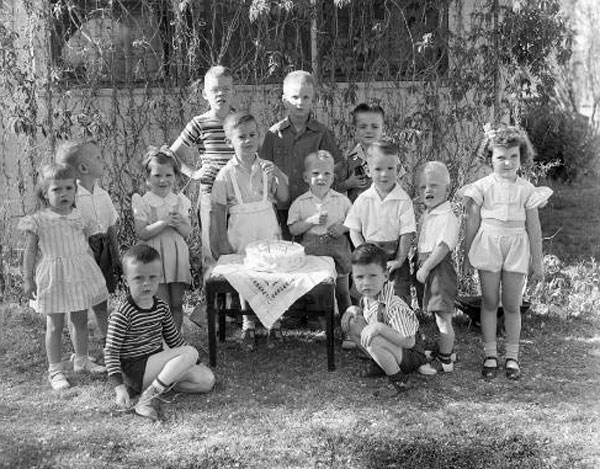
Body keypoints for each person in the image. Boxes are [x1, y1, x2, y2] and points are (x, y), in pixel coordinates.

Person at [462, 123, 552, 380]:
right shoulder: (481, 187)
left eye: (513, 156)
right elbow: (472, 223)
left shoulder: (527, 189)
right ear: (489, 158)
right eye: (500, 157)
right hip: (489, 244)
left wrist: (538, 261)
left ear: (521, 157)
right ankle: (490, 354)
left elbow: (534, 229)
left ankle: (512, 356)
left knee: (512, 304)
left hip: (516, 245)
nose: (508, 162)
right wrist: (468, 255)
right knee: (489, 302)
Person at [19, 164, 108, 390]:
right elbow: (30, 251)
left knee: (79, 319)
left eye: (69, 188)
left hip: (79, 273)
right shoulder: (39, 220)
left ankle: (81, 358)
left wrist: (92, 272)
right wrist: (27, 278)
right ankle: (55, 370)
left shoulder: (80, 217)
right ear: (45, 193)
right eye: (57, 189)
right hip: (54, 276)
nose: (64, 194)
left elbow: (86, 246)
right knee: (55, 324)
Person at [105, 245, 215, 421]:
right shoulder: (122, 313)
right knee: (191, 352)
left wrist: (195, 363)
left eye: (152, 277)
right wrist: (119, 388)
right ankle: (147, 399)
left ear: (160, 278)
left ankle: (164, 383)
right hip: (136, 373)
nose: (146, 283)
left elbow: (175, 340)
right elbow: (111, 352)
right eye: (138, 278)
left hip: (157, 365)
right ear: (127, 281)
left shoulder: (161, 307)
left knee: (206, 380)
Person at [210, 111, 289, 350]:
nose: (248, 140)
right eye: (241, 136)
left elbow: (283, 199)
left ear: (259, 136)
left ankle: (274, 324)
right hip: (241, 235)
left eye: (252, 135)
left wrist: (277, 176)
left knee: (271, 277)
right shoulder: (225, 175)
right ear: (229, 141)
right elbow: (218, 212)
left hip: (267, 232)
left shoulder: (267, 168)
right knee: (246, 279)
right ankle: (248, 325)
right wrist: (220, 244)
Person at [260, 70, 342, 240]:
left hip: (312, 207)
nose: (300, 103)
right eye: (295, 97)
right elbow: (263, 166)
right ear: (284, 101)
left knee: (311, 250)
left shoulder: (320, 133)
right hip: (281, 206)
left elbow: (336, 165)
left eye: (306, 98)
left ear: (313, 100)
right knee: (284, 250)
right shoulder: (274, 134)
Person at [56, 138, 120, 354]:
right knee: (79, 307)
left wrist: (116, 255)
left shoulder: (102, 194)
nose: (104, 160)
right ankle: (80, 354)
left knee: (102, 299)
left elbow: (111, 226)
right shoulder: (71, 198)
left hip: (103, 252)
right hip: (82, 254)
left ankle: (108, 343)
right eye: (99, 157)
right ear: (83, 168)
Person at [341, 244, 426, 397]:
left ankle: (399, 381)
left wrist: (379, 328)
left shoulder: (394, 305)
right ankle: (380, 363)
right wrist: (352, 309)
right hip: (395, 349)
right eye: (360, 277)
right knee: (353, 322)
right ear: (352, 277)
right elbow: (367, 316)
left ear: (386, 276)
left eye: (372, 276)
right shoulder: (367, 298)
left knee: (374, 339)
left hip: (410, 354)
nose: (366, 283)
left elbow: (409, 342)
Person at [170, 65, 236, 262]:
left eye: (225, 88)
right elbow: (173, 153)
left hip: (237, 193)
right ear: (205, 94)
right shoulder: (200, 123)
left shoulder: (239, 121)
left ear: (233, 91)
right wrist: (193, 173)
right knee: (211, 248)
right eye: (215, 89)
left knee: (235, 245)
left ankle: (234, 292)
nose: (220, 94)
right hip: (211, 192)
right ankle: (213, 290)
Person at [344, 138, 416, 306]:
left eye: (390, 168)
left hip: (394, 254)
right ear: (368, 170)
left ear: (397, 169)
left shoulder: (403, 200)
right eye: (378, 169)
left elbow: (407, 233)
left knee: (398, 294)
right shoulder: (363, 199)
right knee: (368, 293)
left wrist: (399, 259)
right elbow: (354, 229)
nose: (384, 174)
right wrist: (362, 249)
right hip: (370, 252)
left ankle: (400, 328)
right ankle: (368, 324)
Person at [288, 150, 352, 327]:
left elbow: (355, 220)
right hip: (313, 249)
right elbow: (293, 228)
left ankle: (349, 324)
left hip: (338, 248)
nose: (321, 177)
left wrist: (343, 227)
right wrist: (310, 221)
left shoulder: (341, 200)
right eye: (315, 173)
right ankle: (324, 324)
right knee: (319, 290)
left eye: (327, 173)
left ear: (333, 178)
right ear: (306, 177)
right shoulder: (301, 202)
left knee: (342, 291)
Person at [132, 146, 193, 330]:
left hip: (176, 256)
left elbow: (186, 232)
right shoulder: (143, 201)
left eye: (168, 175)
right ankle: (160, 342)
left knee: (176, 303)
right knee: (160, 304)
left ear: (175, 176)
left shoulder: (180, 201)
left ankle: (176, 340)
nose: (163, 180)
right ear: (148, 179)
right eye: (157, 175)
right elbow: (142, 232)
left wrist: (178, 223)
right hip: (154, 257)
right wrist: (164, 222)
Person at [413, 162, 460, 375]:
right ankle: (446, 349)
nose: (427, 190)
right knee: (436, 314)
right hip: (427, 268)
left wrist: (425, 269)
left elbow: (442, 247)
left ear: (447, 190)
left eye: (433, 185)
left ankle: (446, 358)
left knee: (442, 317)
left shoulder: (448, 217)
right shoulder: (428, 214)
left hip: (439, 270)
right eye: (423, 187)